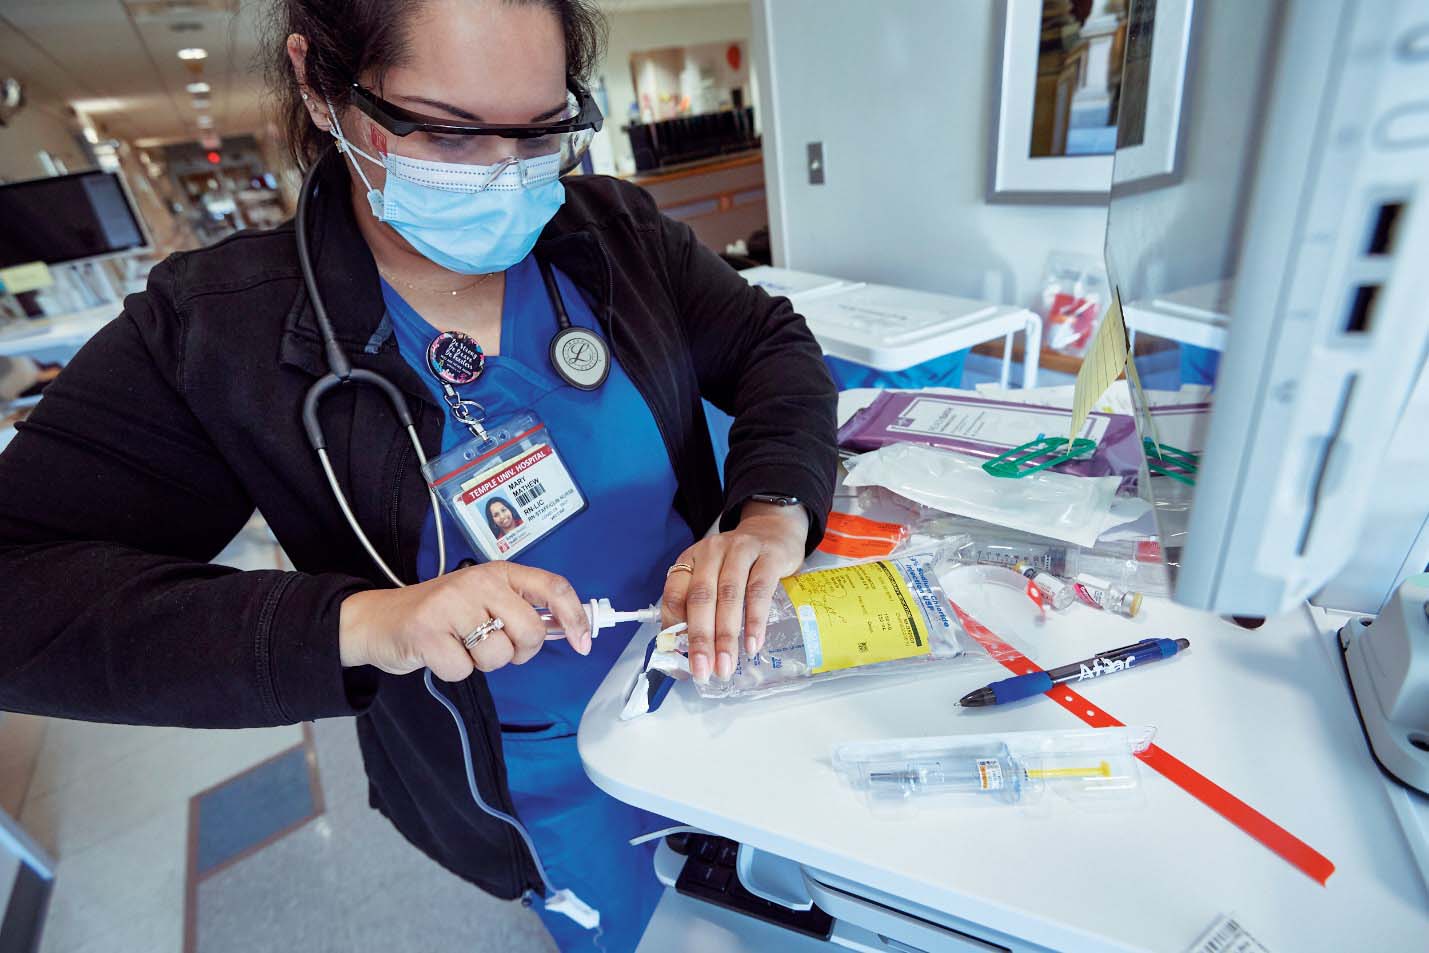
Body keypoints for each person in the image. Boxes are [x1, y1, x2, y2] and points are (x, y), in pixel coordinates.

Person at [0, 1, 837, 951]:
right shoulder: (215, 332)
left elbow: (772, 344)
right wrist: (363, 622)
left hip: (729, 693)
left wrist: (772, 508)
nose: (504, 176)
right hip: (544, 786)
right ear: (321, 85)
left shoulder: (613, 236)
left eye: (539, 132)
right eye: (448, 132)